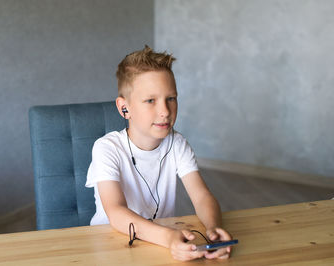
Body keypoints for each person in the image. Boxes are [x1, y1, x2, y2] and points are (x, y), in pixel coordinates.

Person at [85, 45, 232, 261]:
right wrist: (169, 238)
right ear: (124, 108)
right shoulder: (106, 148)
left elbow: (201, 196)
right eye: (150, 101)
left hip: (161, 244)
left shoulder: (177, 143)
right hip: (112, 245)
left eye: (171, 98)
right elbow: (115, 213)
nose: (165, 111)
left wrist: (213, 229)